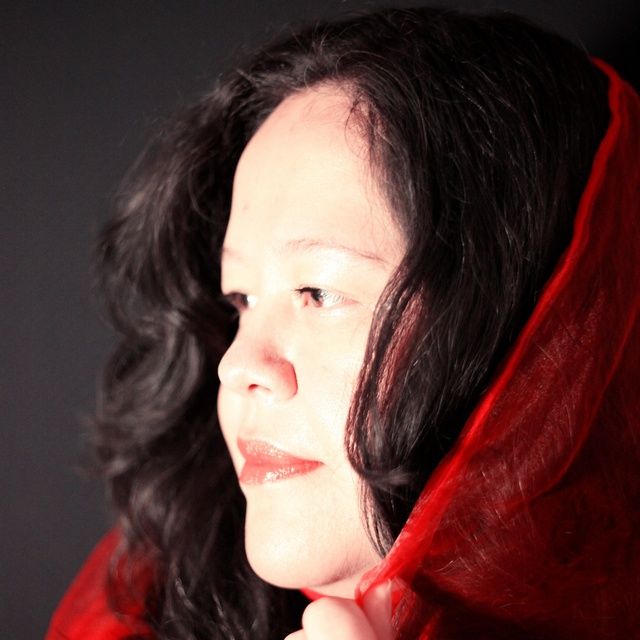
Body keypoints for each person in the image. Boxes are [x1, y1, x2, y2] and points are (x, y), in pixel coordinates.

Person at [47, 6, 640, 640]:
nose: (237, 365)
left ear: (532, 324)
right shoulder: (133, 614)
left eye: (318, 291)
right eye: (240, 298)